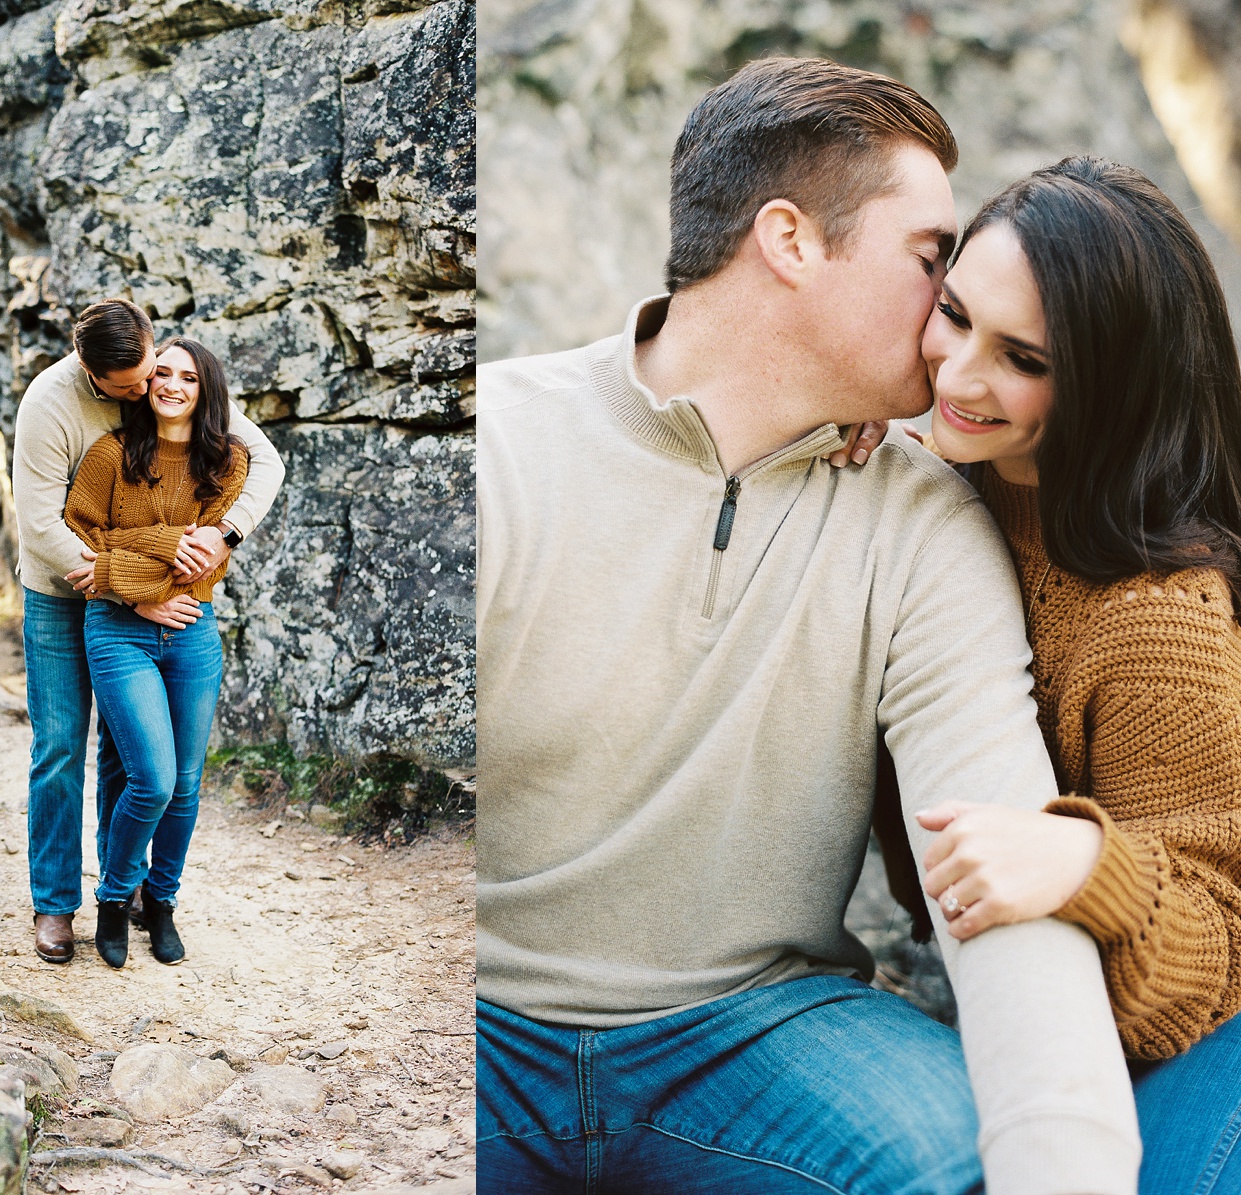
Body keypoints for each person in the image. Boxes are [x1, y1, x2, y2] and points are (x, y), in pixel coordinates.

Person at [476, 57, 1139, 1195]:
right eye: (931, 261)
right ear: (789, 241)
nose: (949, 319)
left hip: (757, 1031)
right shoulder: (502, 451)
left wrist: (1066, 1167)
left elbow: (994, 864)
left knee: (954, 1169)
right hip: (480, 1028)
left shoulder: (922, 519)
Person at [883, 156, 1241, 1195]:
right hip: (1061, 980)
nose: (960, 375)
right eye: (954, 315)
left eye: (1023, 358)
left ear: (1107, 379)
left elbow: (1224, 931)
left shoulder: (1156, 620)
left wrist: (1079, 865)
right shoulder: (941, 474)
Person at [13, 299, 285, 964]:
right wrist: (142, 593)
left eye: (154, 371)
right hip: (62, 590)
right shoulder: (51, 404)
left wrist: (224, 534)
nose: (148, 389)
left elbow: (261, 458)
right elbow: (48, 526)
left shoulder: (161, 378)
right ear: (91, 372)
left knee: (127, 756)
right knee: (58, 747)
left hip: (142, 597)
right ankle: (54, 905)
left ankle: (125, 882)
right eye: (130, 386)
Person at [62, 336, 246, 968]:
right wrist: (158, 561)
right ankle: (114, 900)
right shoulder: (109, 454)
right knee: (153, 779)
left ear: (206, 390)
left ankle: (160, 903)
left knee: (188, 784)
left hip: (193, 629)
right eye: (161, 373)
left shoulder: (226, 463)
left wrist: (134, 553)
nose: (171, 385)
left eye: (188, 378)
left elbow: (203, 561)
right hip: (118, 630)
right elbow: (83, 538)